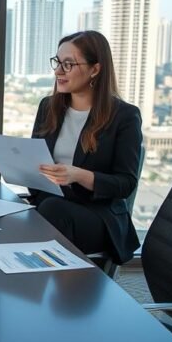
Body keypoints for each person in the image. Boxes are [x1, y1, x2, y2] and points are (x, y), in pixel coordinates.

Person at [29, 30, 142, 264]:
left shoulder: (124, 116)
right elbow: (36, 160)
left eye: (68, 64)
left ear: (95, 69)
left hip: (97, 215)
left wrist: (78, 175)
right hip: (52, 202)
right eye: (58, 62)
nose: (58, 71)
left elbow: (125, 184)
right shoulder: (48, 107)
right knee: (16, 213)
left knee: (50, 211)